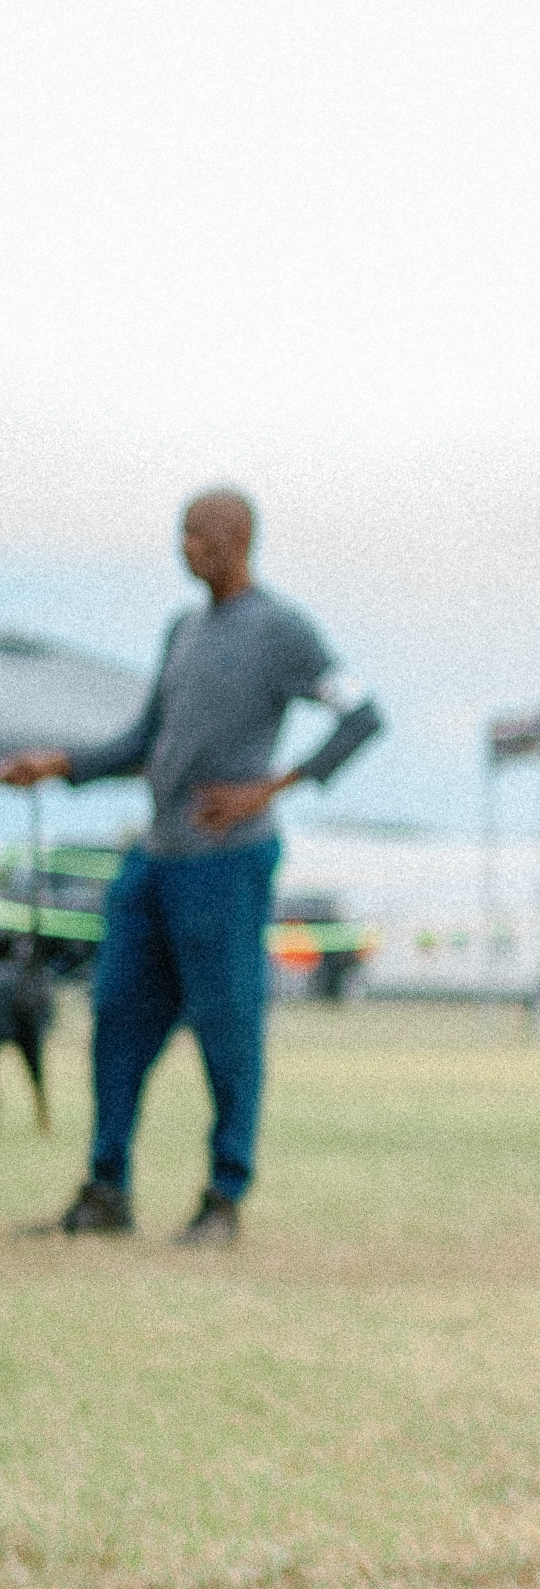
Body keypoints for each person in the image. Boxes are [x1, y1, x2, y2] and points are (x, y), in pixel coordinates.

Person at [3, 490, 382, 1244]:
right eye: (182, 533)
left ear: (238, 538)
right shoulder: (183, 629)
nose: (185, 546)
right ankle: (105, 1191)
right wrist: (61, 763)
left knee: (226, 1029)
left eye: (199, 533)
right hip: (155, 859)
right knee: (116, 1019)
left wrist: (269, 788)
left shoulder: (281, 629)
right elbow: (144, 742)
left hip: (226, 864)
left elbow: (362, 716)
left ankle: (223, 1198)